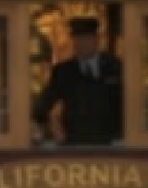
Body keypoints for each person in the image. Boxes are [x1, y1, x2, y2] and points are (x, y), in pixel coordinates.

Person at [33, 14, 124, 146]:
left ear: (96, 40)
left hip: (111, 143)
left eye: (86, 39)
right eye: (77, 39)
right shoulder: (63, 71)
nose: (81, 44)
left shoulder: (115, 66)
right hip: (74, 144)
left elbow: (129, 102)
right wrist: (48, 127)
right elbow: (44, 104)